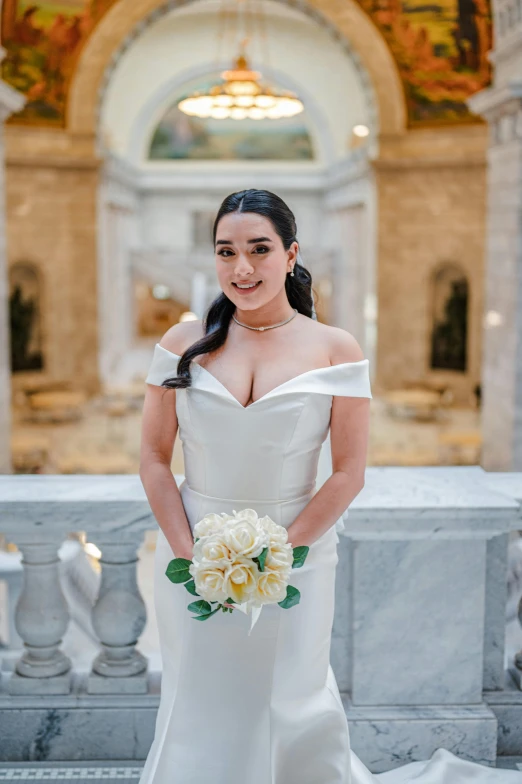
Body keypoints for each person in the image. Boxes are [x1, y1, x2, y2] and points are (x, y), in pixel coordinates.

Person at [139, 189, 520, 784]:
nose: (242, 268)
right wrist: (192, 554)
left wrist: (280, 553)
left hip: (301, 554)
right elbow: (155, 463)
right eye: (226, 251)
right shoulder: (180, 344)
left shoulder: (335, 348)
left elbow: (348, 473)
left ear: (290, 256)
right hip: (191, 552)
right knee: (199, 695)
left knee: (292, 696)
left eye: (259, 249)